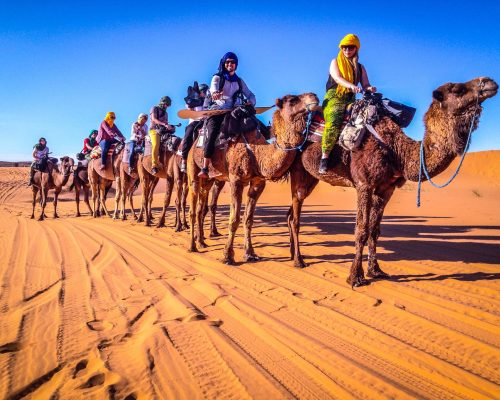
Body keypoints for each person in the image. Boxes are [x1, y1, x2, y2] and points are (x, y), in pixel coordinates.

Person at [319, 34, 377, 174]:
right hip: (335, 96)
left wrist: (370, 88)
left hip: (351, 99)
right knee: (334, 118)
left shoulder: (360, 68)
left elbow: (366, 84)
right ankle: (325, 156)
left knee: (367, 118)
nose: (347, 50)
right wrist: (351, 85)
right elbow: (337, 78)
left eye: (350, 47)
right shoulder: (335, 62)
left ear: (356, 48)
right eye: (344, 47)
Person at [198, 52, 256, 178]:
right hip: (218, 111)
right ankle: (205, 167)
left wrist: (251, 101)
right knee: (212, 133)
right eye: (228, 62)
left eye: (233, 62)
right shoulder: (218, 78)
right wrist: (215, 94)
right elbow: (213, 89)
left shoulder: (239, 81)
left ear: (236, 64)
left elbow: (250, 94)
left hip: (234, 111)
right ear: (224, 63)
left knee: (254, 123)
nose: (230, 64)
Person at [180, 82, 209, 172]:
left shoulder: (208, 101)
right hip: (194, 122)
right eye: (203, 91)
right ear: (199, 92)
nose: (205, 93)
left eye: (206, 91)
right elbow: (189, 108)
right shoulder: (193, 101)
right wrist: (192, 99)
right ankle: (184, 160)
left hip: (205, 122)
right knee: (188, 135)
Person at [149, 96, 176, 175]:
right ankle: (154, 165)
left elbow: (166, 123)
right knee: (156, 144)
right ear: (162, 103)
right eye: (166, 104)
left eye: (168, 105)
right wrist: (164, 124)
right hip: (154, 130)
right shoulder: (154, 108)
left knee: (174, 141)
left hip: (163, 131)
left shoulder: (166, 113)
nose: (167, 107)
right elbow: (154, 119)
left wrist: (169, 126)